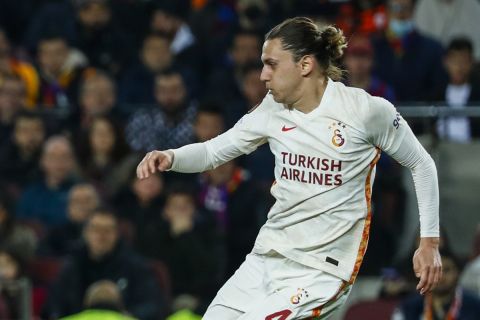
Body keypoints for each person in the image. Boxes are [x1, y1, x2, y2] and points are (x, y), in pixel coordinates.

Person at [136, 17, 442, 319]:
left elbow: (422, 163)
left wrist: (429, 243)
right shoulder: (273, 108)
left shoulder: (365, 111)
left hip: (322, 271)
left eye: (272, 64)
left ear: (305, 64)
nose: (263, 76)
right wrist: (171, 157)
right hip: (267, 256)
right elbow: (215, 150)